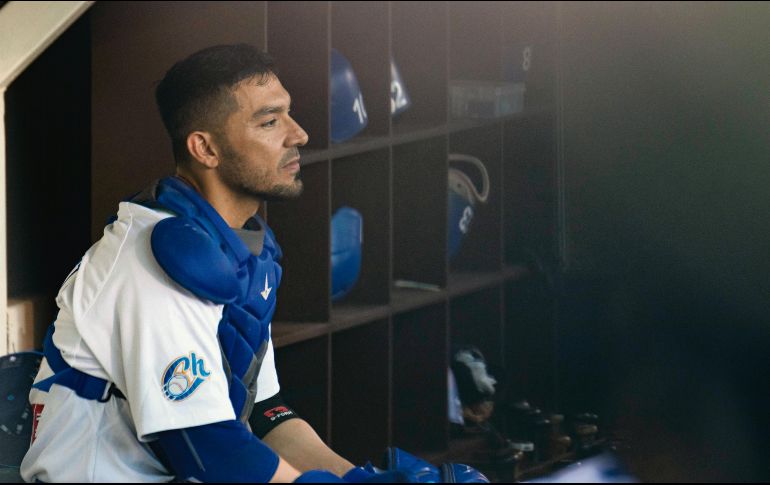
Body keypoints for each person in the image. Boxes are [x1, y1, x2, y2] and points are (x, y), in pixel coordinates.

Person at [20, 44, 352, 483]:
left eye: (288, 114)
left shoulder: (243, 251)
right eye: (270, 122)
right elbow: (210, 449)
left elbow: (267, 417)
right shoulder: (156, 263)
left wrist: (358, 477)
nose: (299, 135)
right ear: (205, 149)